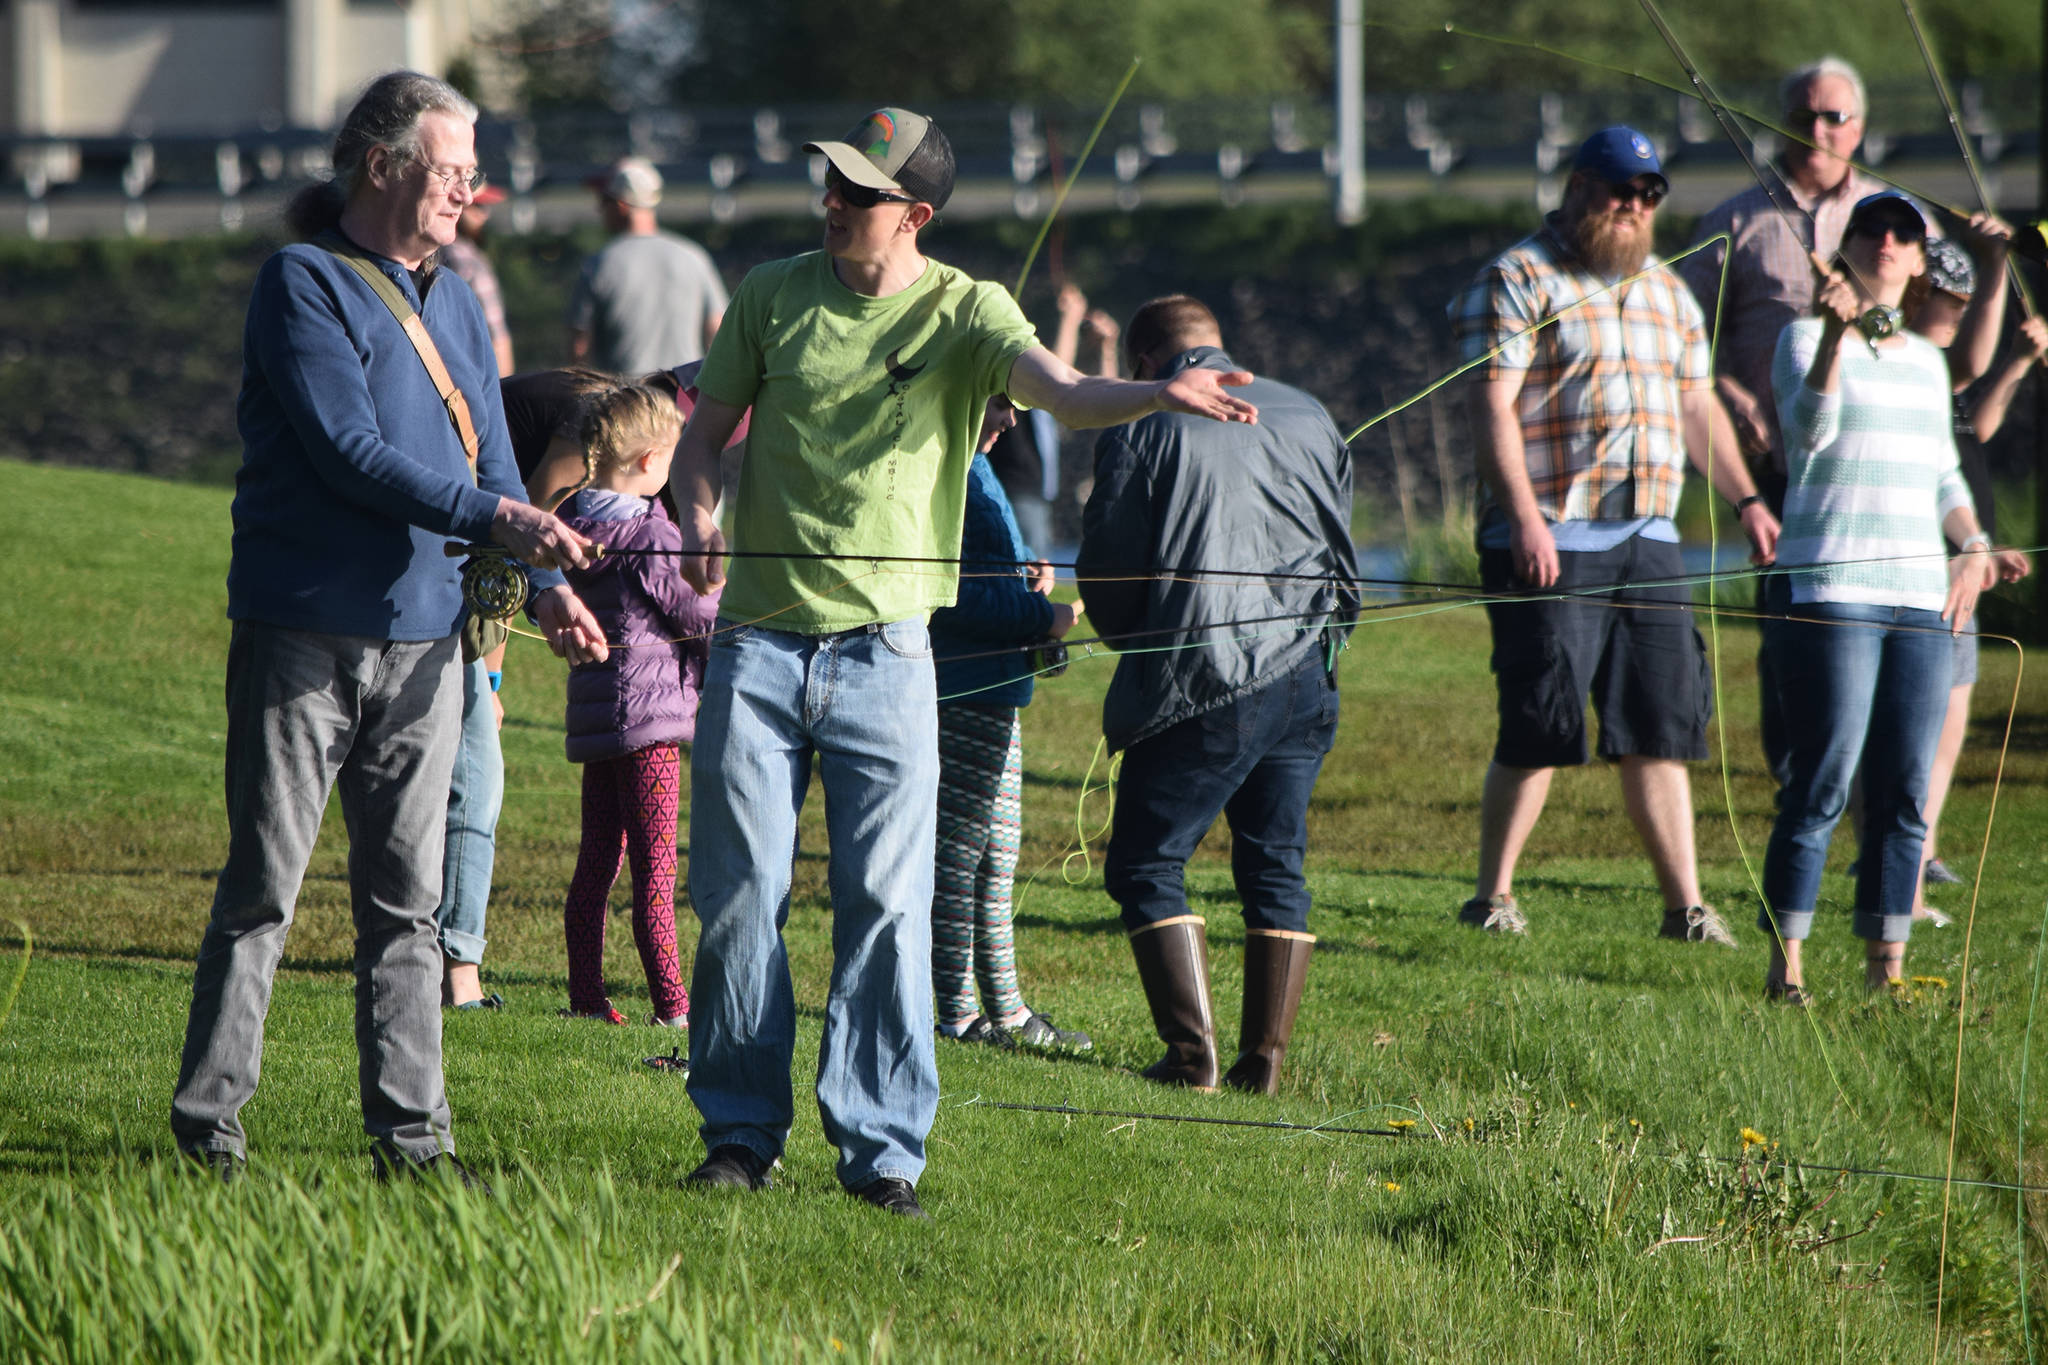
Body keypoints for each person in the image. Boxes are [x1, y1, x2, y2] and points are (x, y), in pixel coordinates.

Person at [666, 106, 1257, 1219]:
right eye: (830, 182)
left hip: (890, 656)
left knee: (883, 908)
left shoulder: (966, 309)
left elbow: (1059, 392)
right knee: (740, 897)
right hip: (755, 647)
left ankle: (883, 1153)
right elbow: (705, 437)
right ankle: (738, 1135)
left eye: (858, 190)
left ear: (916, 214)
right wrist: (696, 511)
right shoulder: (770, 294)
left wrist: (1155, 392)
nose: (832, 201)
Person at [169, 70, 607, 1182]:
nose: (469, 189)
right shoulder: (300, 284)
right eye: (453, 169)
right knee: (263, 890)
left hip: (427, 644)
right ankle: (208, 1131)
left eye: (470, 172)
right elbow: (346, 452)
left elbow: (493, 458)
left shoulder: (456, 296)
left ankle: (413, 1142)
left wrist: (546, 583)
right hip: (303, 632)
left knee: (406, 909)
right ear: (384, 165)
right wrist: (498, 516)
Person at [1448, 126, 1779, 943]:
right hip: (1550, 533)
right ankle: (1494, 896)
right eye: (1618, 188)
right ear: (1579, 185)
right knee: (1540, 722)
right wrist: (1525, 518)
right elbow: (1490, 405)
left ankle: (1687, 909)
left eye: (1648, 194)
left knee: (1662, 724)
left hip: (1651, 534)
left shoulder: (1669, 290)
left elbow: (1697, 409)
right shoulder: (1517, 278)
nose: (1633, 205)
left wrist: (1746, 501)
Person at [1078, 294, 1359, 1096]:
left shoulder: (1141, 420)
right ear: (1213, 344)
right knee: (1276, 860)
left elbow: (1108, 572)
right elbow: (1342, 550)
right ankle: (1263, 1060)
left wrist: (1137, 645)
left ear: (1143, 364)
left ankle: (1191, 1056)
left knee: (1144, 861)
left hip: (1203, 678)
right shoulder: (1309, 410)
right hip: (1312, 672)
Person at [1761, 191, 1997, 1000]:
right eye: (1875, 229)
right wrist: (1835, 332)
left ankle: (1883, 967)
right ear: (1852, 246)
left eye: (1906, 234)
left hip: (1921, 599)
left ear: (1920, 260)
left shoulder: (1929, 363)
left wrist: (1972, 543)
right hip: (1833, 588)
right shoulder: (1801, 336)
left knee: (1903, 792)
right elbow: (1809, 432)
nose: (1891, 242)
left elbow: (1945, 475)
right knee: (1823, 781)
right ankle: (1786, 963)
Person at [1679, 57, 1934, 791]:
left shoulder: (1895, 218)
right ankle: (1802, 778)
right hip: (1779, 461)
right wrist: (1733, 392)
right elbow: (1682, 335)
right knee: (1791, 625)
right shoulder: (1734, 220)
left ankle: (1891, 789)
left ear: (1860, 129)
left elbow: (1945, 312)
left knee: (1896, 622)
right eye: (1803, 116)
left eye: (1835, 117)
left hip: (1881, 460)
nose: (1818, 130)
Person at [555, 382, 719, 1028]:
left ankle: (587, 997)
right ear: (652, 460)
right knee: (655, 869)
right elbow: (697, 617)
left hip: (598, 721)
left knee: (596, 858)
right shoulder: (651, 533)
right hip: (649, 726)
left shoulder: (571, 524)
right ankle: (674, 1007)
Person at [929, 398, 1089, 1052]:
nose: (1012, 422)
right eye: (999, 405)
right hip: (964, 688)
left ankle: (1007, 1008)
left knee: (999, 854)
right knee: (959, 856)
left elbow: (995, 560)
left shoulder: (981, 467)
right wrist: (1039, 618)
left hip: (1001, 693)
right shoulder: (946, 471)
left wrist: (1030, 571)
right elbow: (949, 590)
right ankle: (956, 1013)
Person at [1903, 234, 2041, 912]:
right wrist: (1994, 273)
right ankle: (1899, 853)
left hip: (1966, 567)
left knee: (1950, 723)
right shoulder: (1909, 372)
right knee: (1915, 725)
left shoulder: (1938, 380)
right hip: (1923, 575)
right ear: (1917, 297)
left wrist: (2018, 362)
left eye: (1964, 302)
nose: (1957, 315)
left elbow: (1974, 434)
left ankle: (1922, 852)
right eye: (1949, 303)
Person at [567, 157, 727, 374]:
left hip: (624, 400)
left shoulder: (600, 263)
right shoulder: (694, 257)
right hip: (682, 399)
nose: (599, 209)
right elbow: (718, 333)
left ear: (621, 205)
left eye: (604, 201)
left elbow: (580, 345)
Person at [440, 183, 514, 377]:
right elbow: (495, 334)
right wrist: (503, 391)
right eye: (479, 207)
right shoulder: (467, 262)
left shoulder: (434, 254)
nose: (485, 215)